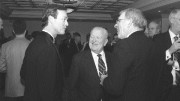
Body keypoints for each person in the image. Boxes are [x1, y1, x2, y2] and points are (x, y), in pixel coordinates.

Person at [102, 8, 153, 101]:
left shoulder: (124, 45)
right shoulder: (150, 43)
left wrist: (104, 80)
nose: (115, 25)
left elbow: (115, 88)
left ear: (129, 22)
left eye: (119, 21)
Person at [20, 4, 70, 101]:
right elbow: (49, 90)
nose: (67, 23)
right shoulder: (47, 46)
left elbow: (23, 74)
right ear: (51, 19)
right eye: (64, 19)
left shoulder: (37, 41)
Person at [68, 27, 111, 101]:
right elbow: (72, 87)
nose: (94, 40)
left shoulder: (113, 58)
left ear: (105, 42)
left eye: (98, 37)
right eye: (92, 37)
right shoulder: (78, 59)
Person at [153, 9, 180, 101]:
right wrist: (170, 50)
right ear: (172, 20)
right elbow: (155, 61)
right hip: (164, 87)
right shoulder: (158, 39)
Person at [0, 20, 30, 101]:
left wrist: (11, 68)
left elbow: (1, 68)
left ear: (13, 31)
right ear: (26, 30)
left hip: (11, 87)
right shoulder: (31, 45)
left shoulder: (5, 46)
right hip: (27, 86)